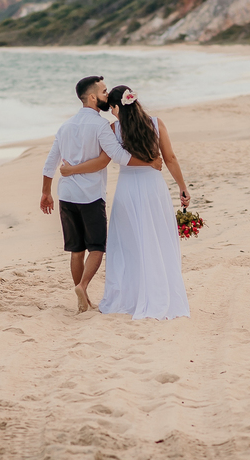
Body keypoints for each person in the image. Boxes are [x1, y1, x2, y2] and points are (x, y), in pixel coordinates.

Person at [60, 85, 190, 320]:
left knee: (128, 245)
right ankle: (160, 292)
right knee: (156, 239)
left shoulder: (113, 129)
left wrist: (71, 170)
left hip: (127, 190)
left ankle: (128, 296)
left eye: (111, 107)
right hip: (154, 189)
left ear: (117, 107)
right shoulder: (156, 123)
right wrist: (182, 187)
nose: (110, 111)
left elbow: (102, 161)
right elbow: (169, 158)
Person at [41, 76, 161, 313]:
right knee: (96, 246)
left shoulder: (64, 126)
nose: (108, 96)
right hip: (91, 196)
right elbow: (117, 156)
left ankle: (81, 296)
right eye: (104, 92)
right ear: (93, 97)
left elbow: (50, 163)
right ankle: (83, 287)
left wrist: (46, 193)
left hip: (66, 195)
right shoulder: (100, 126)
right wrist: (149, 162)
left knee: (76, 249)